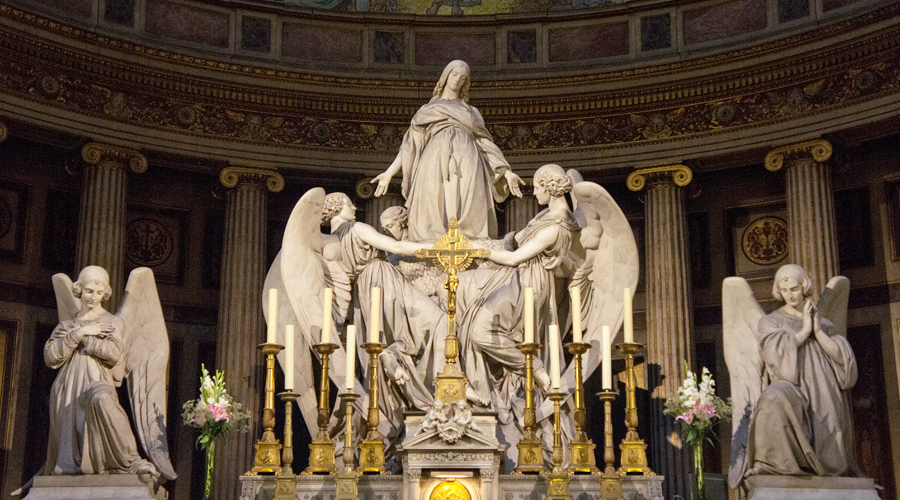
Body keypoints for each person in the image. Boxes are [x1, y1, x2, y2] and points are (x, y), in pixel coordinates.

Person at [456, 164, 578, 415]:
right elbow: (513, 242)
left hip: (527, 284)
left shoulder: (557, 226)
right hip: (512, 277)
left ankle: (535, 368)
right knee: (458, 284)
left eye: (537, 187)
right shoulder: (544, 217)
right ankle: (466, 377)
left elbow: (514, 258)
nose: (535, 192)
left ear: (549, 188)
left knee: (480, 332)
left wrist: (477, 251)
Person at [370, 60, 524, 242]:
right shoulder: (427, 110)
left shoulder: (472, 111)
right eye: (454, 74)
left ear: (466, 83)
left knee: (467, 199)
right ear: (446, 76)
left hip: (467, 157)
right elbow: (410, 146)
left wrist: (506, 173)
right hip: (434, 157)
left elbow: (485, 143)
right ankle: (432, 240)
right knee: (433, 199)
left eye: (463, 77)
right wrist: (389, 173)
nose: (457, 79)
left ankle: (468, 241)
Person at [41, 266, 157, 477]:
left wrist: (85, 339)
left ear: (105, 293)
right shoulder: (67, 325)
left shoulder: (112, 322)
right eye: (89, 291)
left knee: (102, 399)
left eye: (99, 292)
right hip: (68, 387)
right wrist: (79, 332)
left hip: (97, 380)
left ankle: (130, 460)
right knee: (74, 431)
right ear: (79, 289)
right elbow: (50, 357)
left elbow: (113, 354)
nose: (94, 297)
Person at [746, 264, 858, 477]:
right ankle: (771, 464)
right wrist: (805, 331)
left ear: (804, 287)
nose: (789, 295)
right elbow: (773, 355)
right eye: (784, 290)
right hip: (791, 385)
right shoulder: (770, 321)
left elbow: (844, 359)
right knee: (771, 399)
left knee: (829, 425)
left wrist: (817, 331)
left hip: (822, 386)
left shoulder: (824, 323)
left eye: (794, 289)